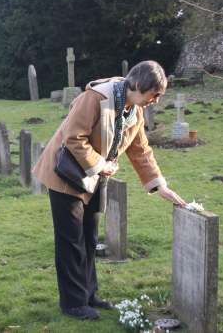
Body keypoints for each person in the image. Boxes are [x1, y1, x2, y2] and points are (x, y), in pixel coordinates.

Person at [32, 60, 187, 320]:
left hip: (93, 179)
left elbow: (141, 151)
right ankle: (72, 303)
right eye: (154, 94)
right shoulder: (94, 98)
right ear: (138, 85)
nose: (156, 101)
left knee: (90, 239)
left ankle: (89, 295)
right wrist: (102, 164)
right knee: (71, 241)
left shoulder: (135, 112)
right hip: (65, 175)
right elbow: (73, 138)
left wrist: (160, 185)